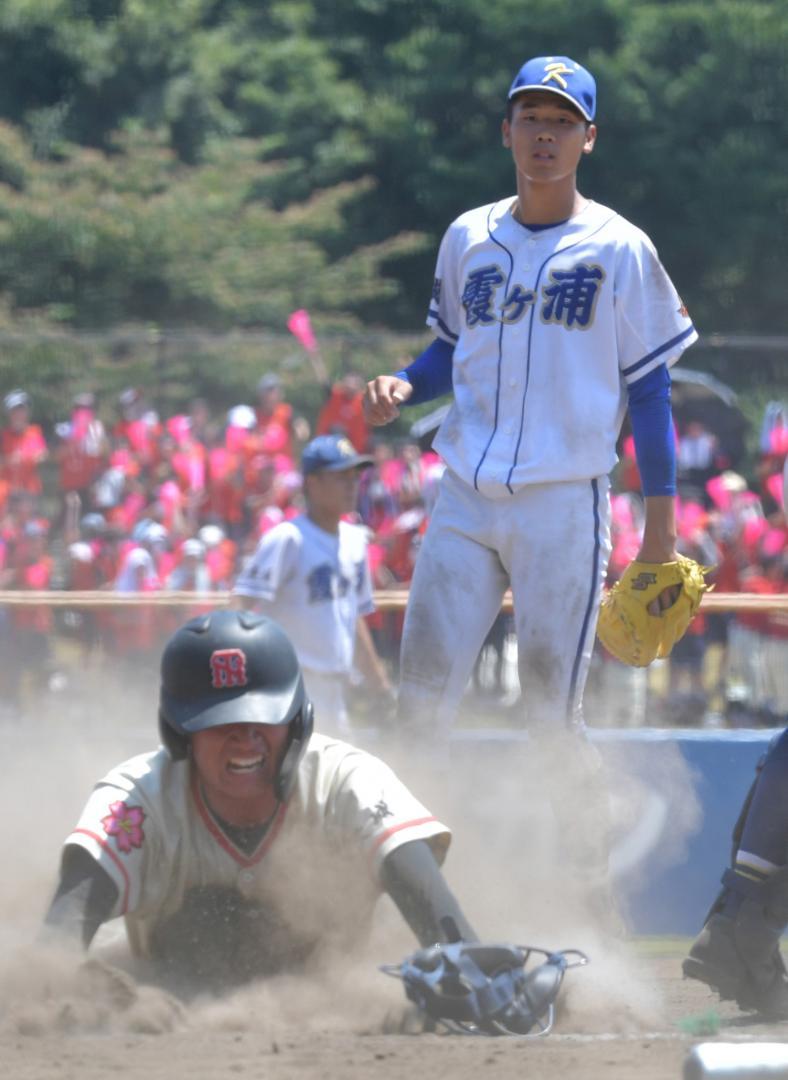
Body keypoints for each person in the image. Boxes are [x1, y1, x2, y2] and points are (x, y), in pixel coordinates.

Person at [363, 55, 696, 741]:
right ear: (506, 131)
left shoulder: (620, 248)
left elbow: (651, 391)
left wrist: (661, 532)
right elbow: (451, 352)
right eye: (533, 118)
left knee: (550, 712)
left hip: (563, 503)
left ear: (589, 137)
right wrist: (404, 380)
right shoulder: (468, 237)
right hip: (464, 495)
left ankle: (577, 851)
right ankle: (413, 846)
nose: (546, 134)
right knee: (419, 702)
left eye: (563, 121)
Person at [43, 609, 478, 997]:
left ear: (297, 721)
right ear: (180, 733)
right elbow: (57, 943)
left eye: (264, 716)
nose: (245, 734)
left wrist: (471, 969)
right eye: (219, 721)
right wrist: (52, 987)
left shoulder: (348, 782)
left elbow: (446, 929)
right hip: (169, 1021)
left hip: (327, 1019)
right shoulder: (137, 799)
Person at [231, 434, 393, 734]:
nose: (351, 485)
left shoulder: (355, 539)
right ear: (313, 483)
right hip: (289, 685)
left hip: (337, 689)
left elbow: (352, 617)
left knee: (331, 776)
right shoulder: (287, 538)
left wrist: (379, 685)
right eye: (340, 477)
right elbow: (240, 604)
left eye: (354, 476)